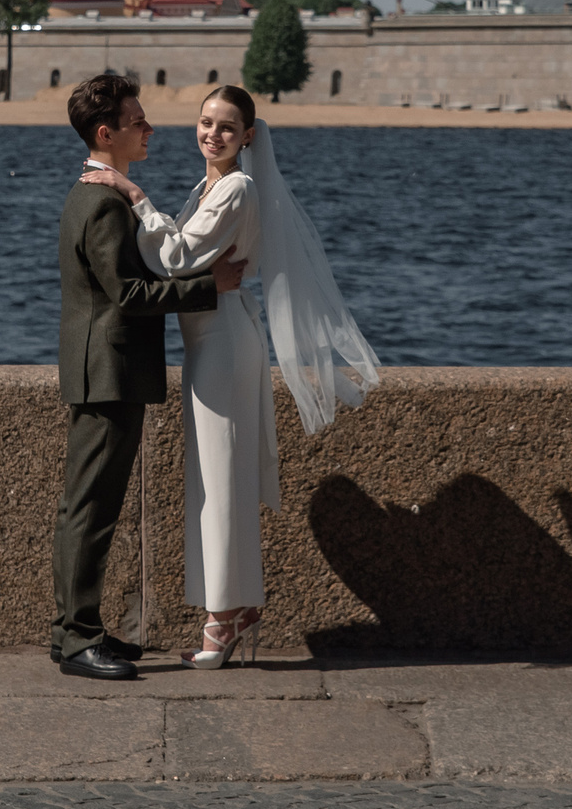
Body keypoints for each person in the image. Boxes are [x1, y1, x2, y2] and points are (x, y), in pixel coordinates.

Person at [86, 85, 381, 668]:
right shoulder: (210, 187)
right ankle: (238, 606)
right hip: (214, 339)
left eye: (226, 127)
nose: (211, 134)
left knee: (219, 481)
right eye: (204, 122)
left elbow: (175, 257)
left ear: (248, 136)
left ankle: (220, 623)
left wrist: (132, 191)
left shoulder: (238, 188)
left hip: (222, 343)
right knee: (219, 478)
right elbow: (180, 254)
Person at [54, 71, 243, 681]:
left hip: (105, 369)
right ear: (107, 134)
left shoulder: (102, 193)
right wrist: (205, 286)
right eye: (139, 122)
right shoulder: (103, 202)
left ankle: (78, 631)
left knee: (92, 504)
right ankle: (77, 638)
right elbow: (130, 294)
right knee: (90, 508)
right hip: (106, 370)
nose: (150, 129)